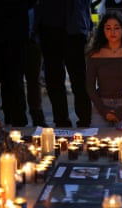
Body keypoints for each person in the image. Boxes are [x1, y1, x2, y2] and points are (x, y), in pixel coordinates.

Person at [34, 0, 92, 128]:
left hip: (74, 27)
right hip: (49, 27)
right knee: (54, 79)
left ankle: (84, 119)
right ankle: (61, 120)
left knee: (78, 78)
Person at [86, 11, 122, 128]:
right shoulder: (95, 54)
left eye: (117, 28)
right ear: (103, 30)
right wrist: (103, 110)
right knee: (98, 138)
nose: (112, 32)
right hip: (102, 103)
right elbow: (90, 87)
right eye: (108, 28)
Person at [24, 7, 47, 127]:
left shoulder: (37, 5)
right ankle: (18, 116)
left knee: (34, 81)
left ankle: (37, 116)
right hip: (17, 41)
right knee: (15, 80)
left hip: (33, 42)